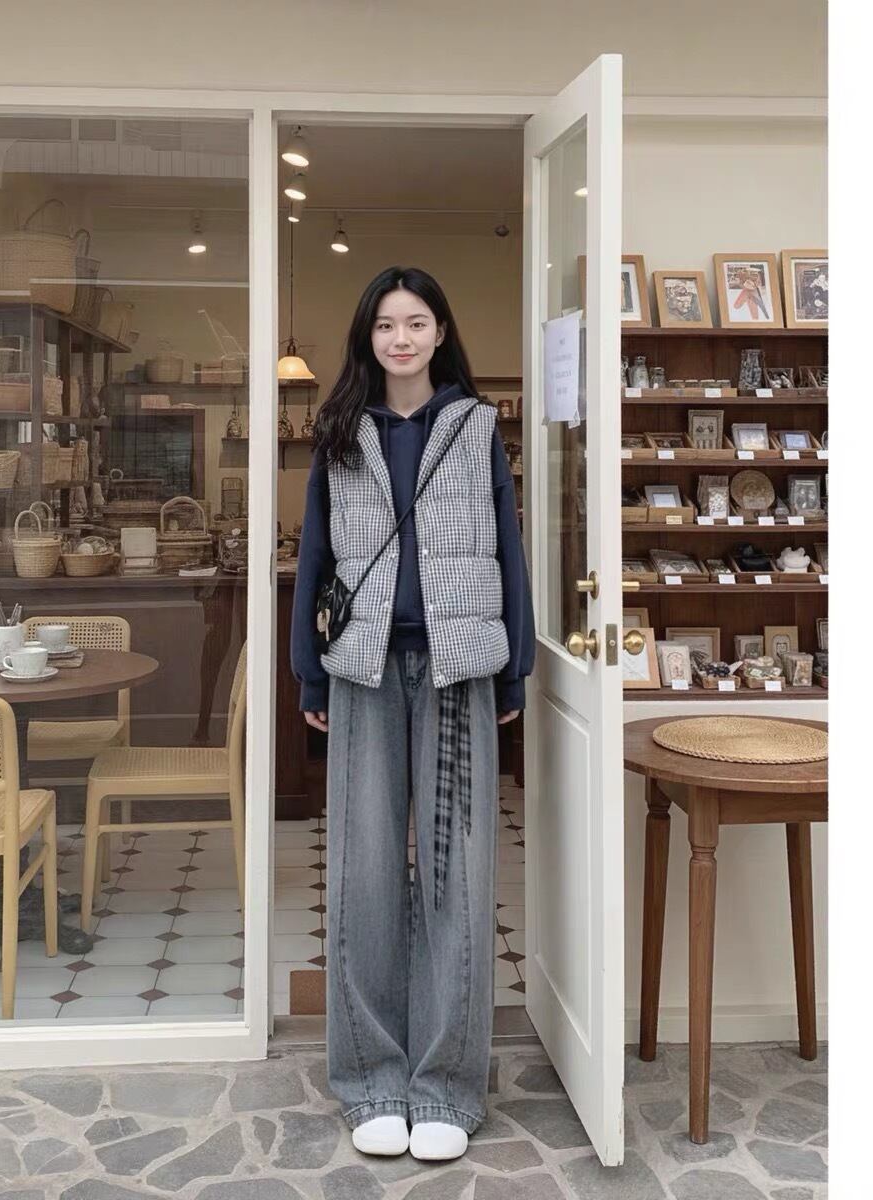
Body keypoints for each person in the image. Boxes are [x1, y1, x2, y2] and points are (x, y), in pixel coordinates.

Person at [290, 266, 536, 1162]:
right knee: (361, 873)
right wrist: (309, 676)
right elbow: (316, 556)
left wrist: (515, 669)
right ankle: (371, 1080)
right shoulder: (339, 430)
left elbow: (509, 549)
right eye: (386, 324)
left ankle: (446, 1086)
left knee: (454, 877)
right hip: (362, 670)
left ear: (440, 333)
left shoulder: (476, 428)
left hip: (459, 670)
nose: (401, 338)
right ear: (369, 336)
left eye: (417, 322)